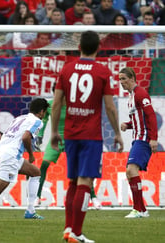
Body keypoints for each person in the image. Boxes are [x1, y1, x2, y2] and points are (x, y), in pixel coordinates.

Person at [51, 30, 123, 243]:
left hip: (71, 133)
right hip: (91, 135)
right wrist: (117, 133)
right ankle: (76, 233)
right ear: (98, 48)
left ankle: (68, 229)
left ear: (79, 46)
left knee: (73, 181)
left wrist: (54, 131)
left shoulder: (67, 69)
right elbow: (110, 107)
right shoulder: (102, 72)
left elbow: (56, 104)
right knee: (85, 181)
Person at [34, 83, 101, 209]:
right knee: (43, 166)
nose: (58, 97)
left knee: (81, 168)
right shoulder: (50, 105)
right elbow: (44, 120)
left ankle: (93, 197)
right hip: (56, 139)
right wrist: (40, 135)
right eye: (56, 94)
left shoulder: (73, 105)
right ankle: (37, 197)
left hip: (72, 138)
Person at [119, 67, 158, 218]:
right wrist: (128, 125)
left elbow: (151, 115)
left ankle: (139, 209)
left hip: (144, 138)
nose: (121, 82)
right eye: (120, 79)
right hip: (137, 138)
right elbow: (139, 119)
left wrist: (153, 138)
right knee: (130, 173)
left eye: (123, 78)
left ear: (132, 78)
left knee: (131, 171)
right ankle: (141, 210)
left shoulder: (140, 93)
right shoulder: (131, 96)